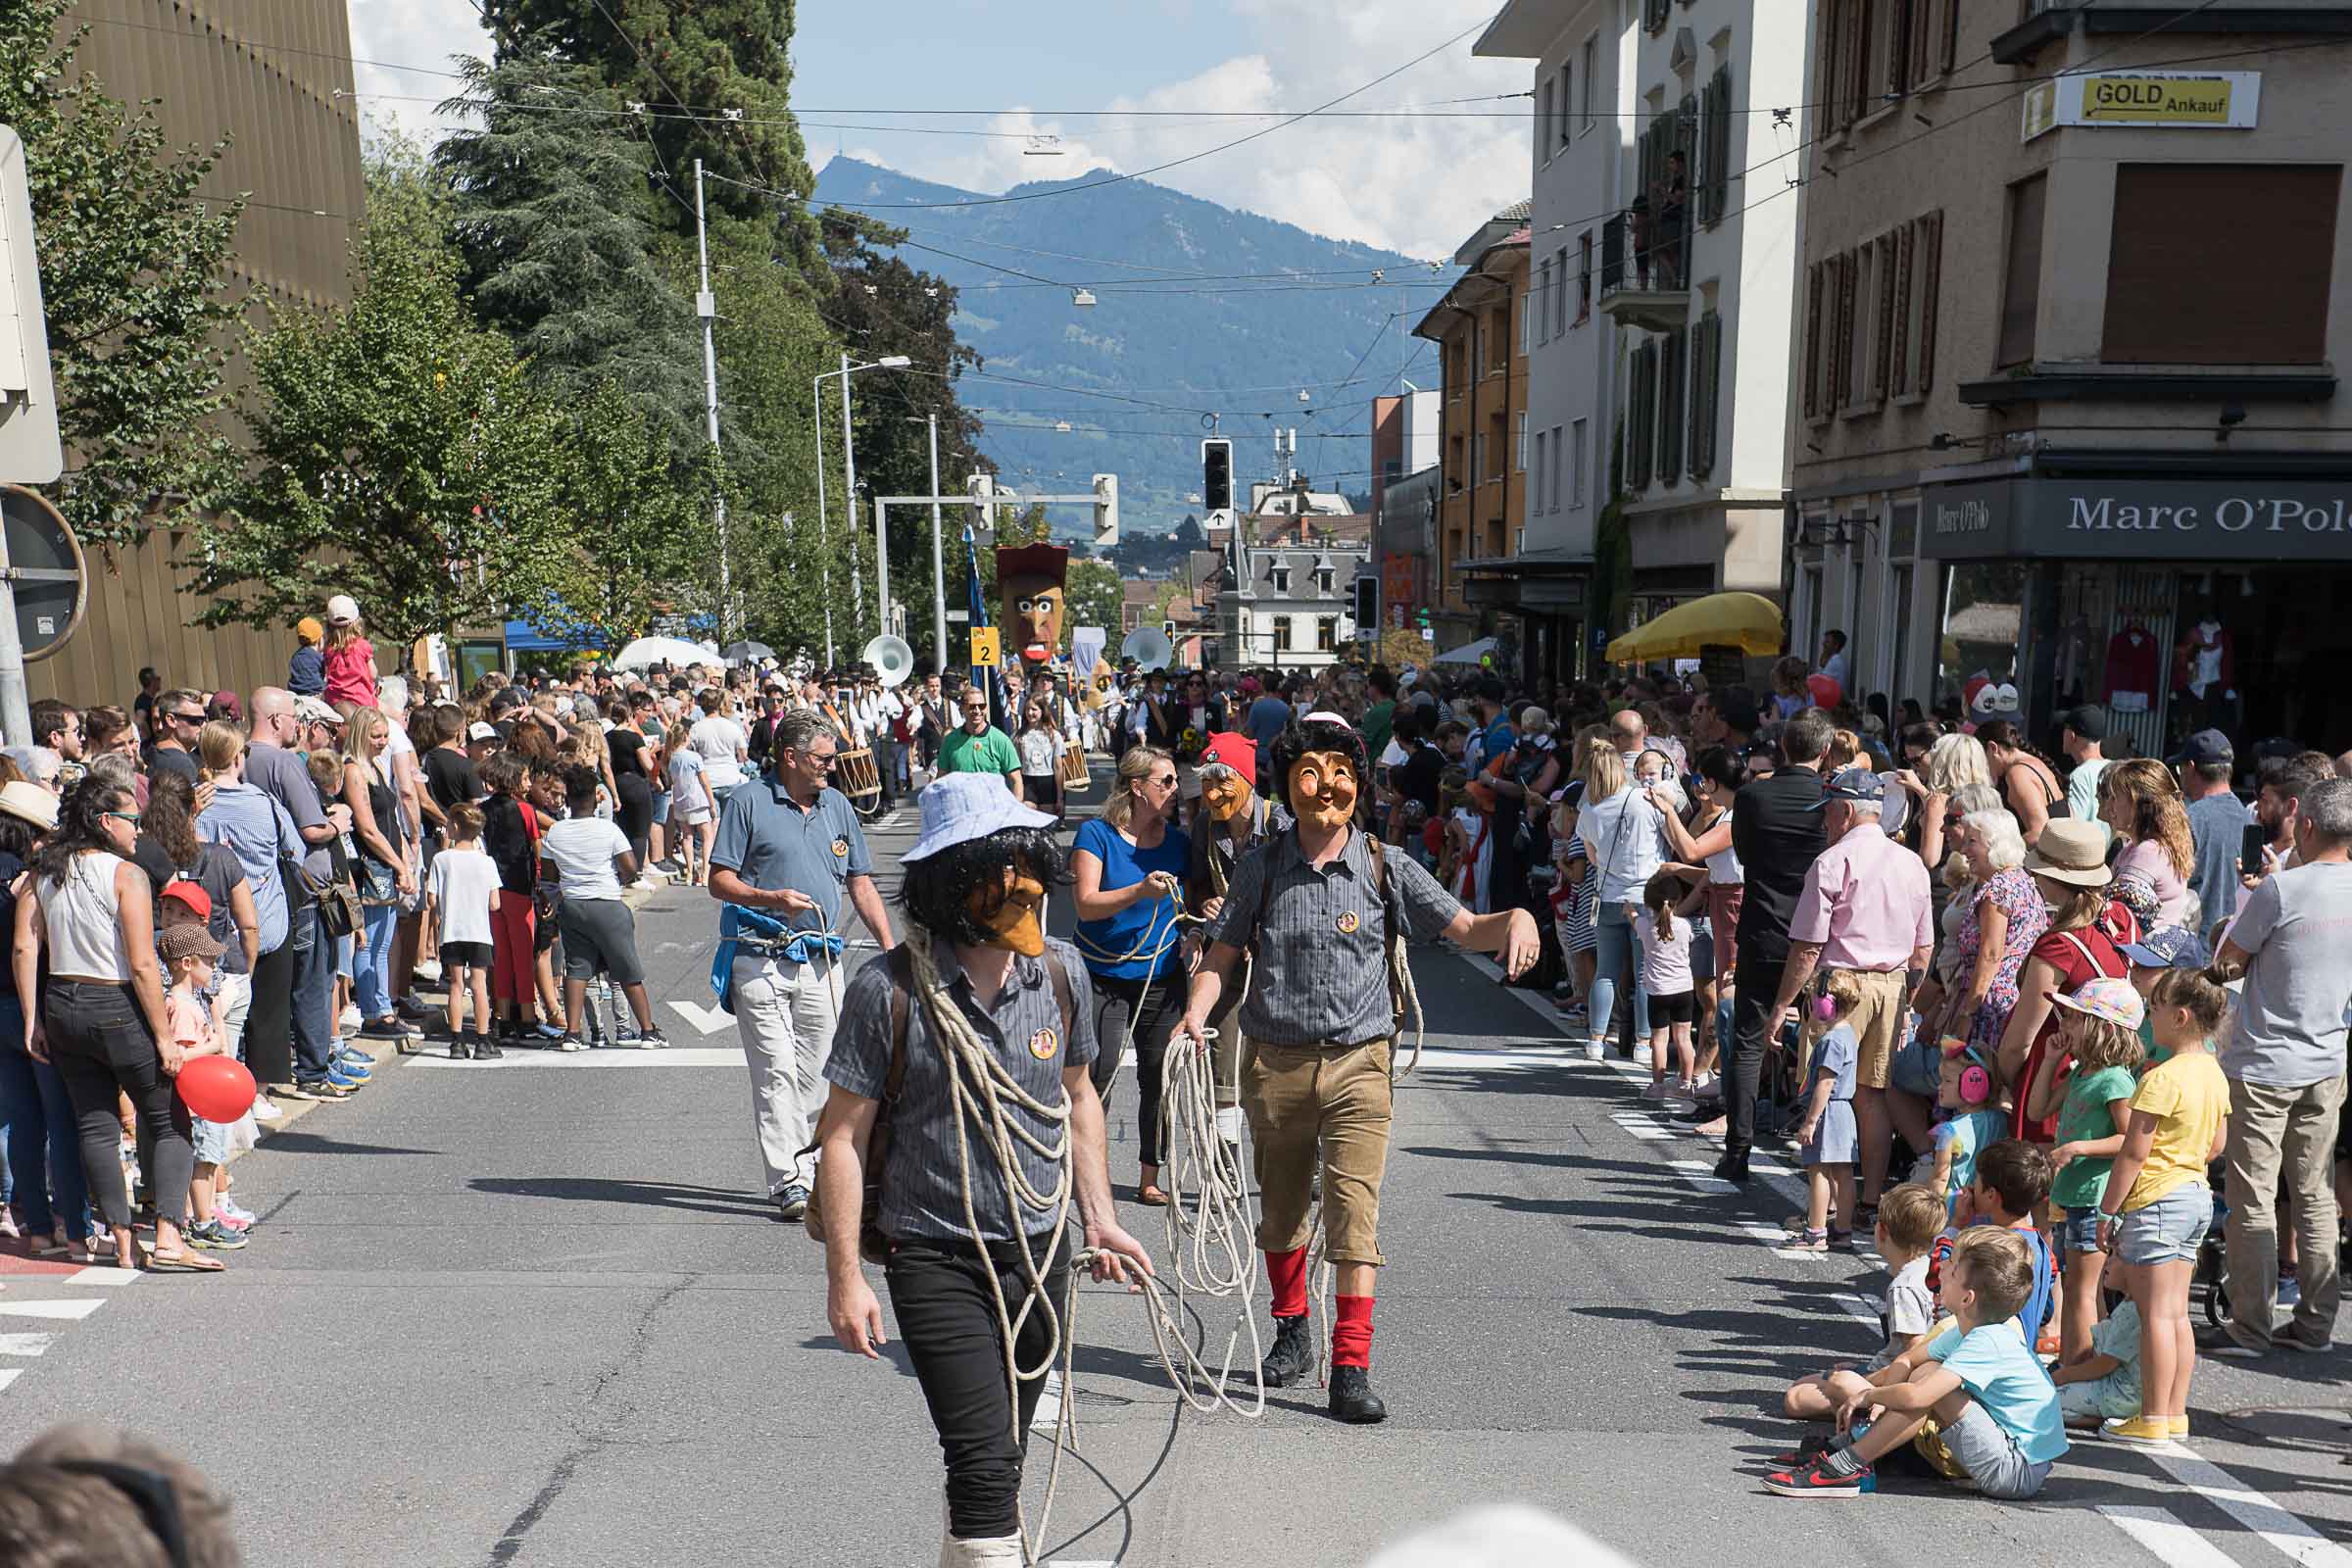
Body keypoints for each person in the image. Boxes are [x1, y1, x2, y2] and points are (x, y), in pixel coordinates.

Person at [812, 774, 1151, 1568]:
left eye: (1028, 863)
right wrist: (843, 1279)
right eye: (1000, 869)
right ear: (952, 884)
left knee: (1002, 1452)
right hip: (933, 1253)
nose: (1022, 886)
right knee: (986, 1461)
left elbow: (1079, 1100)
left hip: (1039, 1251)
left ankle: (972, 1545)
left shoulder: (1061, 972)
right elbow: (842, 1141)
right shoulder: (887, 989)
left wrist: (1099, 1218)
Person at [1179, 715, 1541, 1424]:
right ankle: (1292, 1334)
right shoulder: (1261, 867)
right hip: (1276, 1064)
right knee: (1281, 1215)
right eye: (1311, 771)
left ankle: (1351, 1366)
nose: (1327, 786)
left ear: (1359, 785)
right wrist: (1195, 1014)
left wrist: (1520, 916)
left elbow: (1465, 928)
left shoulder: (1386, 866)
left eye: (1341, 771)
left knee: (1354, 1218)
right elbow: (1222, 958)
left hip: (1359, 1067)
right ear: (1288, 784)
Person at [18, 779, 215, 1272]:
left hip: (62, 999)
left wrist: (31, 1018)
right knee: (168, 1118)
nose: (139, 831)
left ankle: (124, 1241)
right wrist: (165, 1037)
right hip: (115, 1000)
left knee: (95, 1124)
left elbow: (25, 947)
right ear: (106, 821)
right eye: (133, 820)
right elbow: (144, 963)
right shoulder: (126, 874)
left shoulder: (44, 871)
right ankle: (168, 1235)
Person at [710, 710, 895, 1221]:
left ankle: (816, 1171)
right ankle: (788, 1181)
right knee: (774, 1072)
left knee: (819, 1072)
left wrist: (889, 946)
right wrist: (769, 898)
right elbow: (718, 880)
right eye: (823, 759)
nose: (831, 768)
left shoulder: (837, 806)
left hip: (821, 959)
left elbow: (860, 882)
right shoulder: (748, 801)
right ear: (790, 757)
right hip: (757, 956)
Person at [2207, 776, 2352, 1356]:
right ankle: (2315, 1324)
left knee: (2254, 1195)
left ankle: (2250, 1325)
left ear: (2308, 826)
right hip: (2327, 1057)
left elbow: (2228, 964)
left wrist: (2226, 940)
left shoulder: (2282, 891)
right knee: (2314, 1192)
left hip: (2268, 1061)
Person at [1768, 1226, 2066, 1499]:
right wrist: (1883, 1404)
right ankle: (1846, 1453)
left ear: (1967, 1299)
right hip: (2010, 1455)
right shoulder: (1972, 1328)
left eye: (1952, 1272)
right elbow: (1910, 1359)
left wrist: (1868, 1395)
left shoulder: (1988, 1340)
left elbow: (1919, 1396)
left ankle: (1844, 1466)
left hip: (2016, 1471)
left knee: (1932, 1389)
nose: (1942, 1272)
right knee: (1927, 1372)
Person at [1762, 767, 1933, 1212]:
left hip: (1838, 985)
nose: (1824, 823)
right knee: (1872, 1095)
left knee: (1826, 1086)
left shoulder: (1833, 861)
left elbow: (1807, 946)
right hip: (1891, 985)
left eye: (1829, 813)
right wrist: (1906, 1004)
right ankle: (1869, 1199)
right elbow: (1924, 947)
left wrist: (1782, 1005)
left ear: (1846, 810)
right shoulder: (1911, 861)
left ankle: (1829, 1205)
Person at [2098, 965, 2233, 1443]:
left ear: (2178, 1017)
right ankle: (2173, 1411)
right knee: (2176, 1313)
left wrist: (2108, 1210)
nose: (2148, 1019)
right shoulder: (2214, 1072)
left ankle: (2153, 1416)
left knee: (2155, 1312)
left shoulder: (2161, 1078)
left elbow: (2134, 1151)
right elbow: (2217, 1143)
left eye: (2153, 1011)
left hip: (2158, 1198)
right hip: (2195, 1194)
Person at [1071, 747, 1191, 1203]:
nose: (1175, 790)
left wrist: (1197, 931)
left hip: (1161, 975)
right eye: (1166, 781)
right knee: (1097, 1074)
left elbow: (1192, 905)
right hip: (1103, 973)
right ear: (1137, 787)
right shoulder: (1096, 835)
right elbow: (1084, 903)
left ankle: (1149, 1174)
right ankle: (1087, 1170)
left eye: (1176, 781)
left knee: (1158, 1075)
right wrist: (1140, 889)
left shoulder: (1179, 843)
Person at [1722, 711, 1831, 1183]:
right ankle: (1817, 1151)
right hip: (1818, 935)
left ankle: (1738, 1148)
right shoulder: (1830, 799)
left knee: (1748, 1040)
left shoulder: (1751, 795)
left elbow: (1744, 855)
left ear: (1783, 747)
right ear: (1824, 752)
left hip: (1764, 927)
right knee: (1823, 1040)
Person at [242, 689, 344, 1101]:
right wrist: (340, 822)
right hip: (300, 886)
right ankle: (313, 1071)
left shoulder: (238, 759)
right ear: (276, 719)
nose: (296, 726)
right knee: (313, 979)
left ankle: (277, 1073)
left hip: (255, 889)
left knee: (271, 986)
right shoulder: (282, 762)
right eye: (292, 718)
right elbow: (311, 828)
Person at [2039, 976, 2144, 1366]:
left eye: (2073, 1018)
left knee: (2081, 1289)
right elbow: (2037, 1110)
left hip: (2092, 1197)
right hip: (2071, 1195)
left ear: (2100, 1028)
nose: (2064, 1025)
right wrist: (2051, 1061)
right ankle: (2084, 1363)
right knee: (2080, 1288)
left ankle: (2074, 1367)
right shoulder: (2082, 1072)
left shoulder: (2115, 1079)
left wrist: (2080, 1147)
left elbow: (2129, 1139)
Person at [1783, 1181, 1943, 1421]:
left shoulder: (1904, 1287)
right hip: (1901, 1370)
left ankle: (1859, 1409)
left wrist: (1872, 1385)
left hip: (1895, 1378)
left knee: (1795, 1399)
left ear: (1882, 1231)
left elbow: (1914, 1352)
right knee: (1806, 1383)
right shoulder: (1934, 1267)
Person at [543, 764, 668, 1052]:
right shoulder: (608, 829)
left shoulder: (556, 832)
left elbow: (549, 875)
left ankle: (573, 1034)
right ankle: (648, 1031)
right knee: (626, 969)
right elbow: (631, 868)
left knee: (577, 968)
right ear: (597, 795)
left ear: (567, 798)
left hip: (573, 904)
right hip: (607, 904)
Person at [1576, 736, 1663, 1065]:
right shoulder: (1644, 800)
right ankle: (1643, 1043)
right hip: (1644, 895)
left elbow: (1593, 858)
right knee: (1644, 973)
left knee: (1606, 971)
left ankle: (1596, 1040)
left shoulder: (1589, 811)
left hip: (1607, 895)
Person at [341, 709, 416, 1044]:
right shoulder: (353, 770)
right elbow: (367, 828)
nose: (382, 742)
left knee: (383, 943)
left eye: (385, 735)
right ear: (360, 735)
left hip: (387, 863)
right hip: (369, 866)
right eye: (376, 736)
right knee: (368, 943)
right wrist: (399, 865)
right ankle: (374, 1012)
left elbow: (391, 821)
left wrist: (404, 860)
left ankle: (384, 1008)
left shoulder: (376, 768)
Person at [1788, 969, 1862, 1251]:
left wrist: (1810, 1121)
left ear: (1826, 1002)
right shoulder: (1847, 1035)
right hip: (1844, 1112)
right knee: (1843, 1174)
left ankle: (1815, 1233)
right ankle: (1842, 1231)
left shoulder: (1831, 1041)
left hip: (1828, 1112)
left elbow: (1825, 1083)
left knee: (1817, 1172)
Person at [425, 802, 503, 1060]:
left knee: (456, 986)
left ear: (456, 827)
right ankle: (483, 1041)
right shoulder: (487, 862)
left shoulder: (441, 859)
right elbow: (495, 904)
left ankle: (456, 1043)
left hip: (451, 931)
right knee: (479, 985)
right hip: (479, 931)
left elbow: (432, 900)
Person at [2100, 759, 2197, 929]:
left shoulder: (2148, 852)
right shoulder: (2139, 847)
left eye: (2115, 798)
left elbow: (2114, 919)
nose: (2109, 806)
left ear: (2138, 803)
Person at [1635, 867, 1701, 1107]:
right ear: (1677, 899)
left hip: (1658, 991)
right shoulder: (1684, 926)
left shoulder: (1644, 926)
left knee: (1659, 1040)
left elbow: (1633, 920)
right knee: (1684, 1038)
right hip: (1684, 988)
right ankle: (1685, 1085)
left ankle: (1658, 1086)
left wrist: (1628, 911)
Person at [2175, 728, 2248, 940]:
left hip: (2192, 948)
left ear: (2190, 767)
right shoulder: (2248, 819)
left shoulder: (2190, 819)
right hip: (2230, 949)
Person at [1978, 720, 2064, 847]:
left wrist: (2000, 851)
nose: (1983, 766)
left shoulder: (2017, 774)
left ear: (1992, 748)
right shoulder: (2034, 763)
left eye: (1982, 758)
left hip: (2044, 861)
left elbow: (2038, 833)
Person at [2058, 705, 2112, 848]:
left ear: (2071, 736)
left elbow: (2075, 825)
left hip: (2086, 858)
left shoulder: (2080, 775)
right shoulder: (2115, 768)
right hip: (2110, 860)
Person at [320, 593, 377, 713]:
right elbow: (373, 674)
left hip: (335, 702)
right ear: (356, 622)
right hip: (362, 703)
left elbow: (326, 675)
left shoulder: (328, 649)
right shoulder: (363, 645)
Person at [1015, 699, 1063, 826]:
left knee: (1046, 827)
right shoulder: (1019, 736)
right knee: (1029, 825)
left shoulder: (1054, 736)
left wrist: (1060, 797)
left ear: (1043, 711)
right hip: (1028, 783)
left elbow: (1058, 768)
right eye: (1027, 709)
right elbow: (1017, 766)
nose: (1030, 713)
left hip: (1047, 783)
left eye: (1034, 709)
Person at [288, 613, 326, 695]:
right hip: (315, 695)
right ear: (319, 639)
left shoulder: (295, 657)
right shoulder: (318, 657)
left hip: (297, 695)